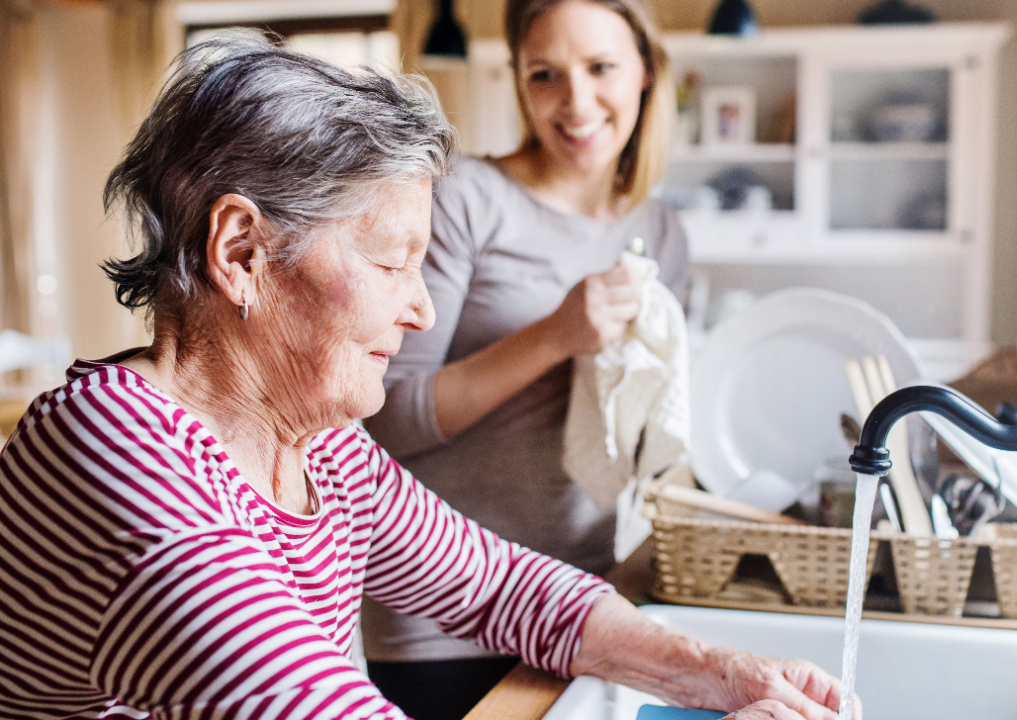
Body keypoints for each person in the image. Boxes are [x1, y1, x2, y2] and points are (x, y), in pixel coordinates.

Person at [0, 33, 857, 720]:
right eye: (391, 263)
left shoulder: (322, 445)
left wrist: (723, 674)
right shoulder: (117, 455)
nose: (418, 312)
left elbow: (502, 587)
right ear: (242, 253)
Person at [359, 0, 692, 714]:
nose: (575, 103)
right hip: (443, 620)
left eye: (600, 67)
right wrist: (554, 336)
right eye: (545, 75)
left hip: (586, 603)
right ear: (518, 82)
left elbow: (649, 412)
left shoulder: (661, 230)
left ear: (645, 71)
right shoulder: (465, 199)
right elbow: (388, 420)